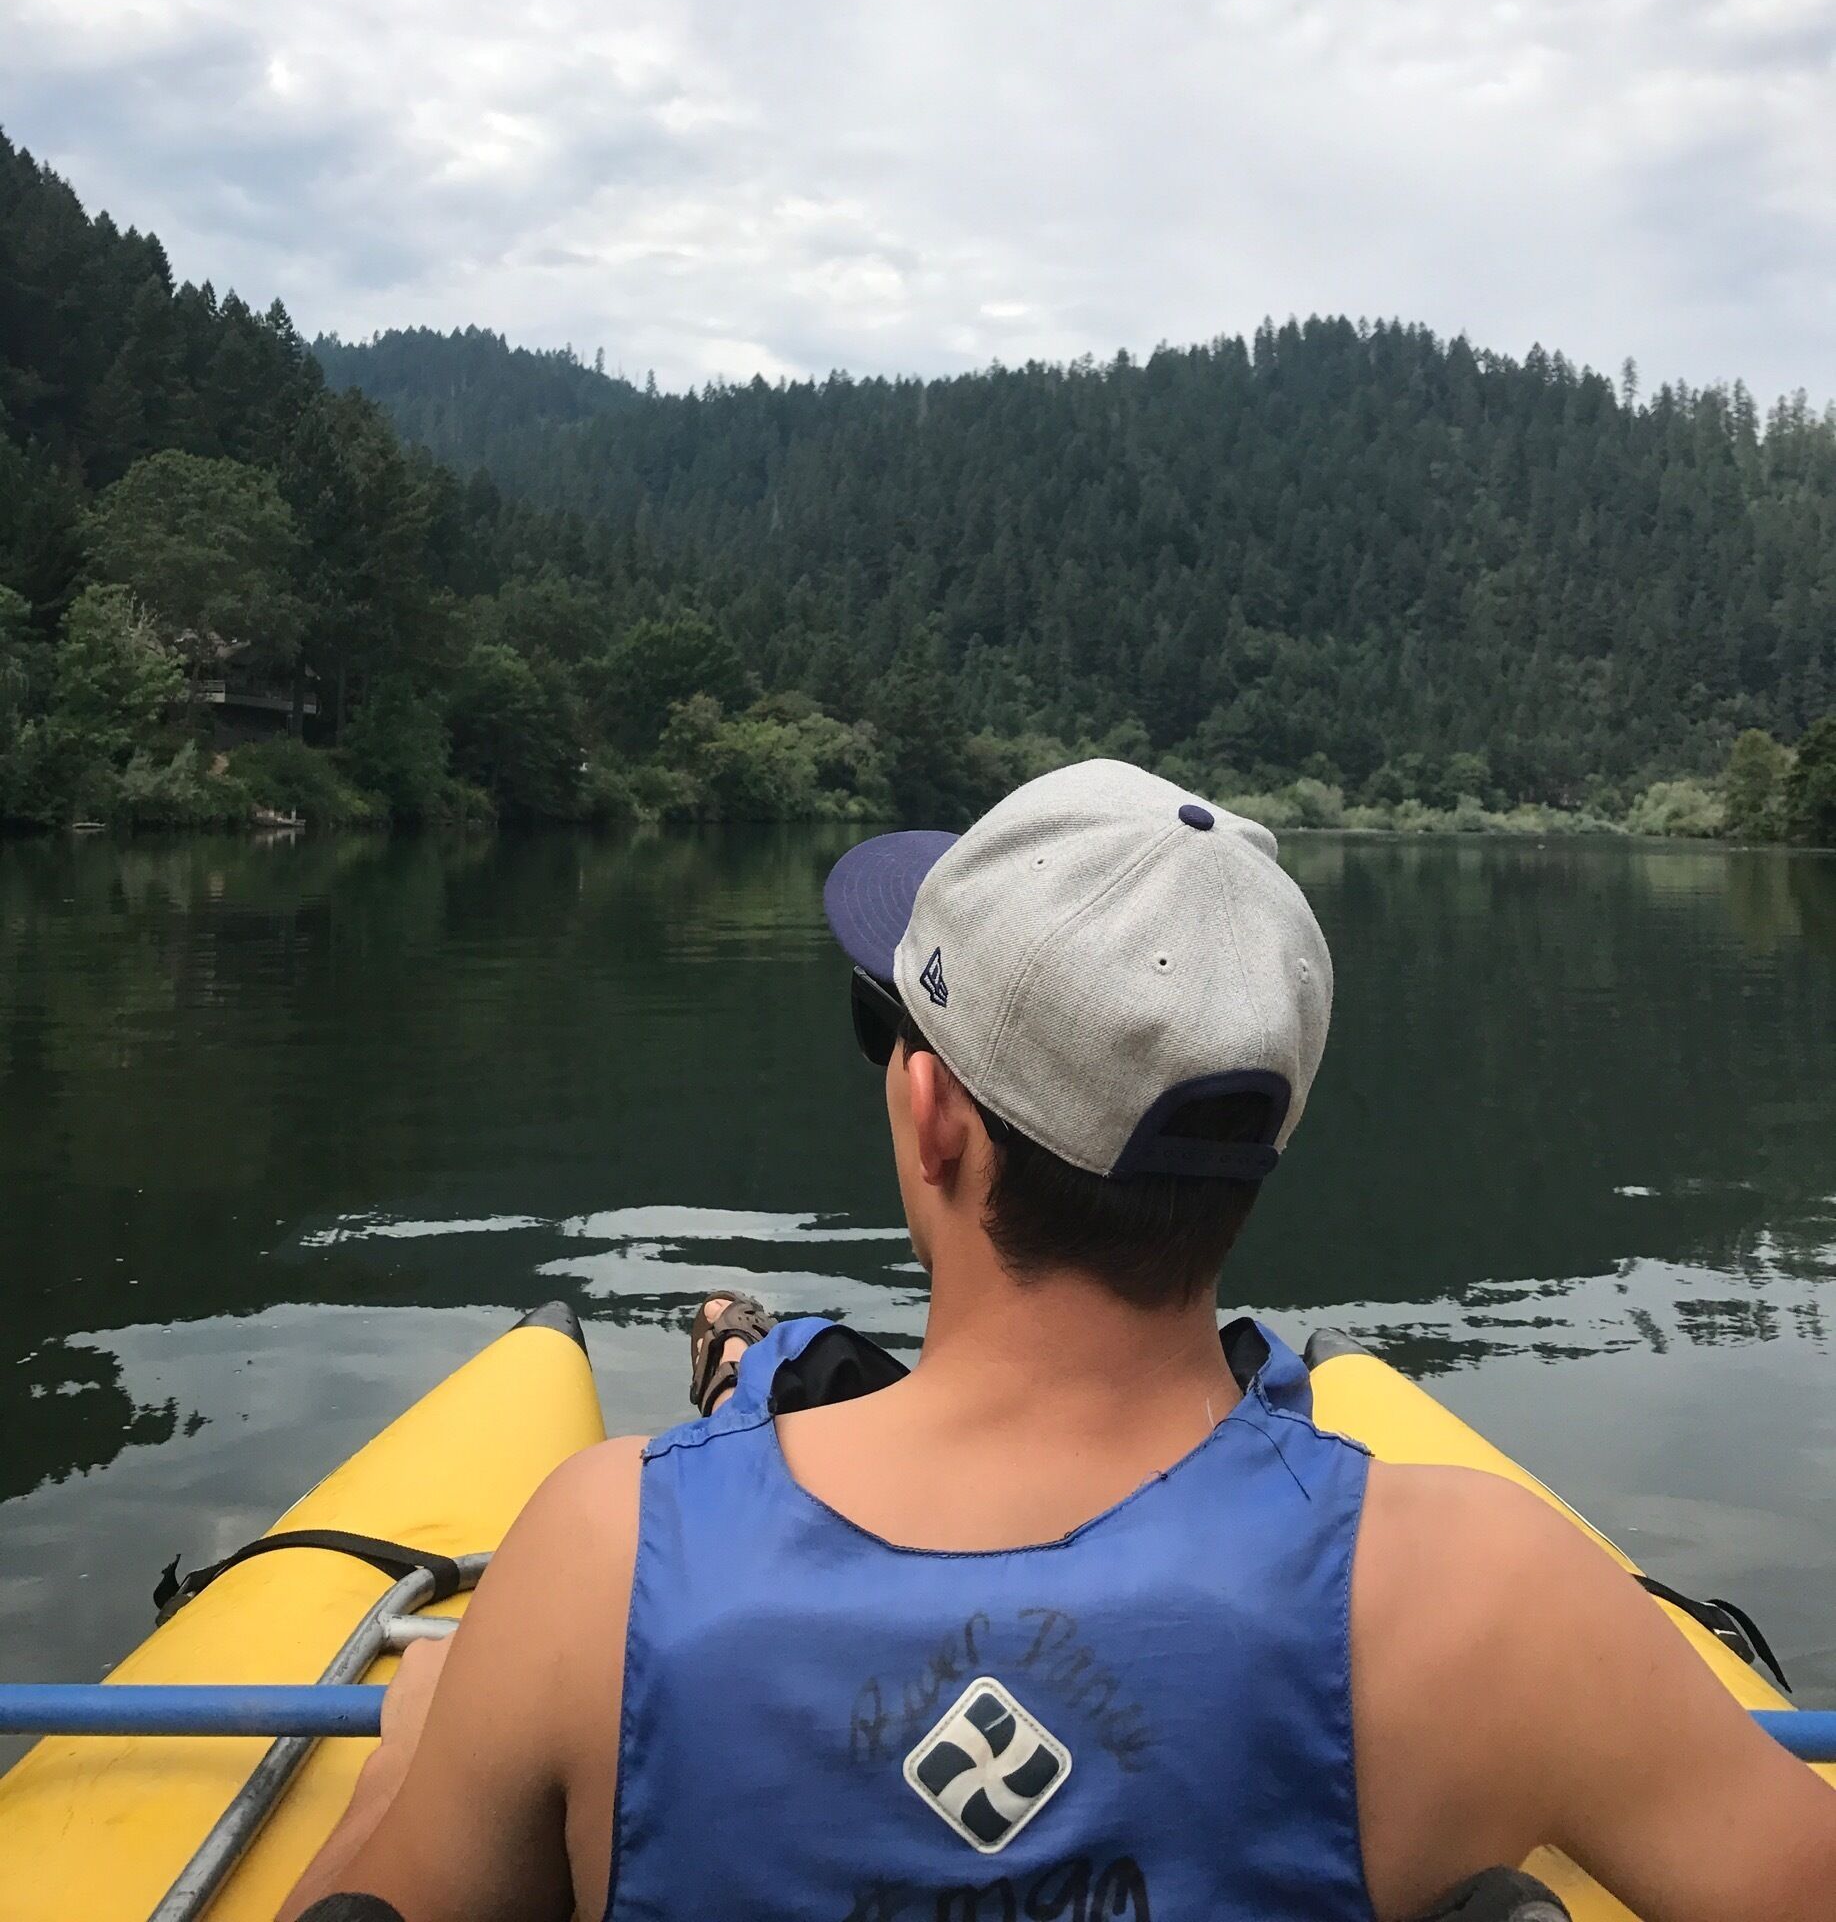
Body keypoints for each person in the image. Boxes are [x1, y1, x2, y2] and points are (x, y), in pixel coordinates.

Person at [280, 761, 1836, 1922]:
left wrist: (399, 1770)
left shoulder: (604, 1557)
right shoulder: (1494, 1596)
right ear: (1262, 1144)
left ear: (933, 1113)